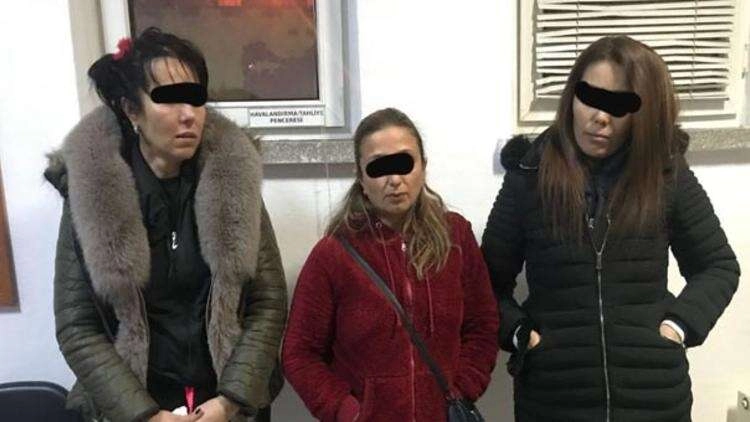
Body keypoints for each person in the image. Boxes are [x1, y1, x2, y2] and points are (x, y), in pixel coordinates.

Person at [482, 35, 740, 422]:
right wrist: (520, 335)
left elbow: (717, 266)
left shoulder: (665, 175)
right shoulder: (529, 176)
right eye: (590, 97)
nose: (600, 116)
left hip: (654, 397)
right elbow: (484, 284)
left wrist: (678, 327)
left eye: (619, 105)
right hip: (553, 398)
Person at [45, 27, 287, 422]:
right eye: (168, 99)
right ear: (132, 110)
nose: (188, 114)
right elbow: (77, 325)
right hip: (134, 405)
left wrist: (229, 401)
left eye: (196, 98)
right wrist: (144, 414)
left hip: (227, 402)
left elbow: (268, 302)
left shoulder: (232, 180)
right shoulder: (92, 194)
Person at [282, 108, 499, 421]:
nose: (395, 180)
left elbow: (483, 325)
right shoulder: (334, 254)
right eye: (379, 168)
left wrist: (461, 389)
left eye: (404, 163)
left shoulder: (456, 237)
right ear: (361, 177)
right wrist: (348, 412)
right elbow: (299, 353)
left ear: (423, 166)